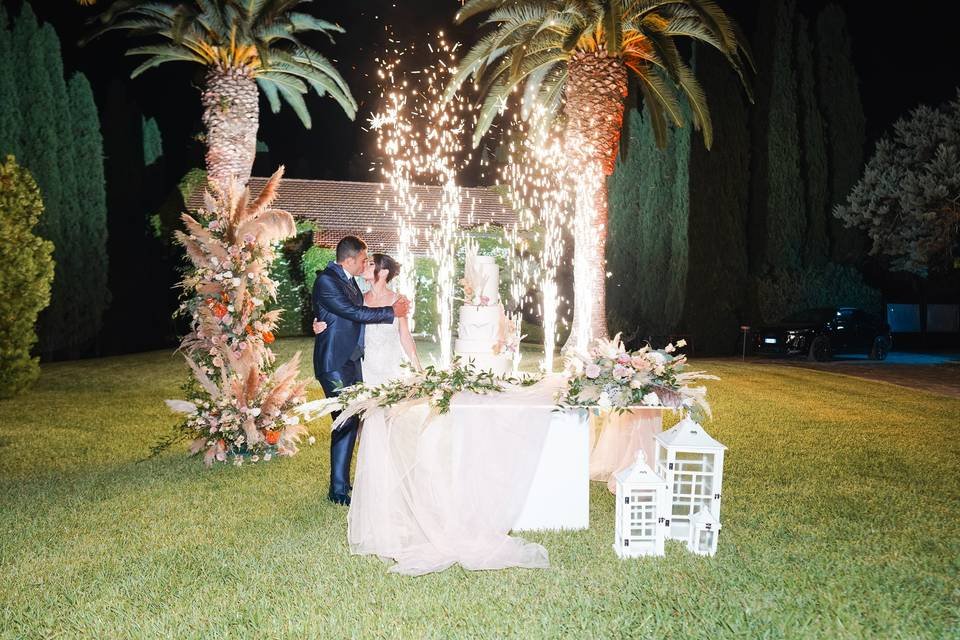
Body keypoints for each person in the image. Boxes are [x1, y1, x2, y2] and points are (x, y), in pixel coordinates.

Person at [312, 236, 410, 506]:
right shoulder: (327, 280)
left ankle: (342, 484)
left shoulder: (348, 280)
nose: (366, 264)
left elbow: (333, 312)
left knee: (351, 420)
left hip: (351, 361)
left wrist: (318, 320)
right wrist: (392, 311)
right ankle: (339, 490)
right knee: (345, 421)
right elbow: (353, 311)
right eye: (364, 259)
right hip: (333, 362)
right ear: (350, 260)